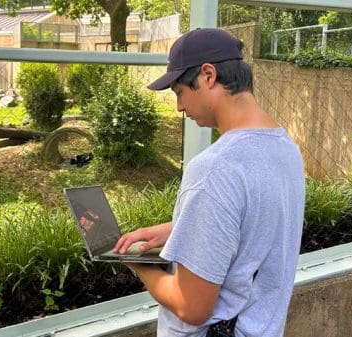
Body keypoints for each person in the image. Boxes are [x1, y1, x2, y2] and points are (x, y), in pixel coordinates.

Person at [113, 28, 305, 337]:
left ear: (207, 75)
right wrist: (175, 230)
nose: (179, 107)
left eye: (179, 92)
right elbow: (254, 225)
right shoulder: (285, 148)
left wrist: (137, 263)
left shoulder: (215, 168)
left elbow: (192, 307)